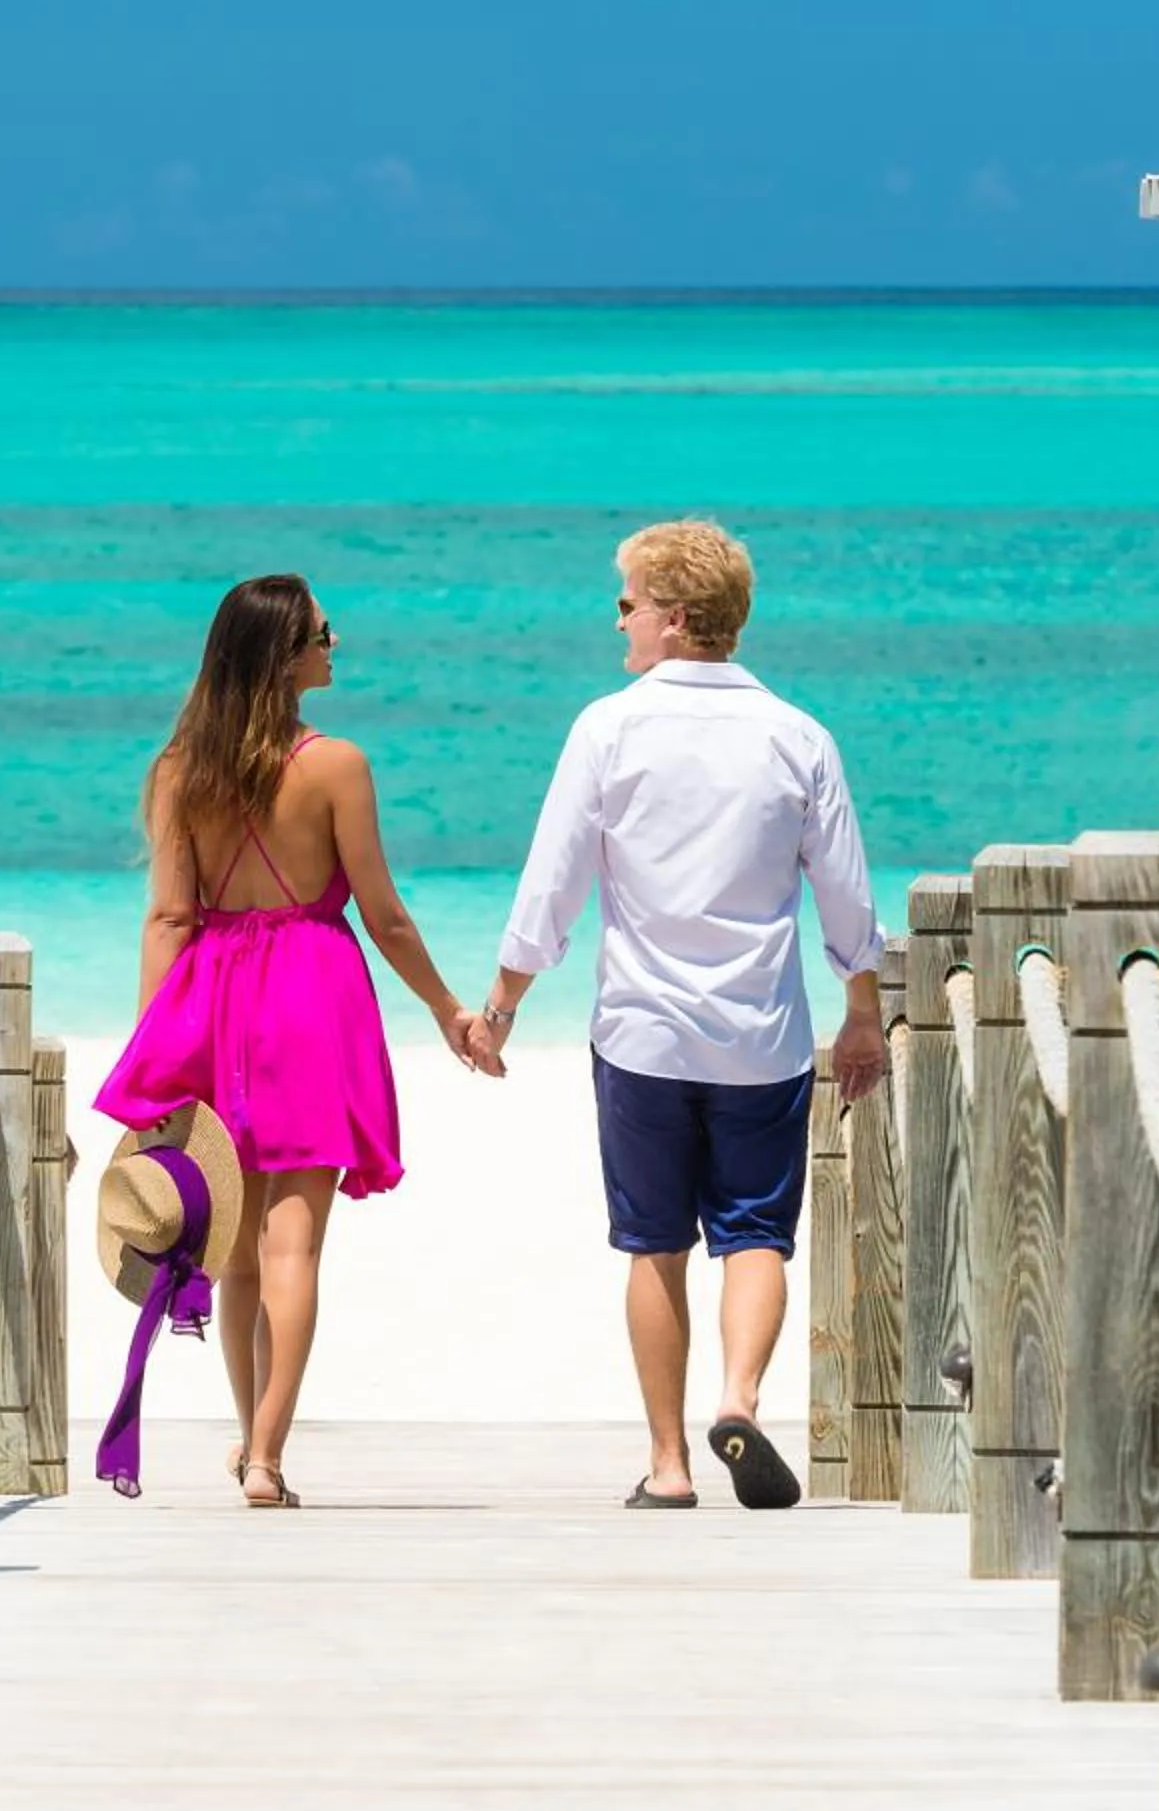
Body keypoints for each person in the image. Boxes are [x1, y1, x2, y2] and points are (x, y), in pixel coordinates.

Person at [463, 520, 889, 1510]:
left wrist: (500, 1008)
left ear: (675, 617)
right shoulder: (798, 735)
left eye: (628, 603)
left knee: (655, 1242)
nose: (619, 621)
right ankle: (738, 1399)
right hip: (761, 1039)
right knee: (755, 1237)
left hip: (642, 1037)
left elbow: (551, 887)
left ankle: (667, 1462)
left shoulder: (608, 728)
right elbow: (847, 892)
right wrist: (860, 1008)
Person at [94, 573, 484, 1508]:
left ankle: (250, 1438)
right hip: (314, 997)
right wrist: (444, 1008)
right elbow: (383, 916)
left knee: (231, 1248)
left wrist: (158, 1048)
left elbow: (169, 918)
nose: (334, 640)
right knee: (291, 1248)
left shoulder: (182, 770)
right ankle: (267, 1453)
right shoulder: (336, 765)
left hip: (216, 1002)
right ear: (282, 654)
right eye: (318, 631)